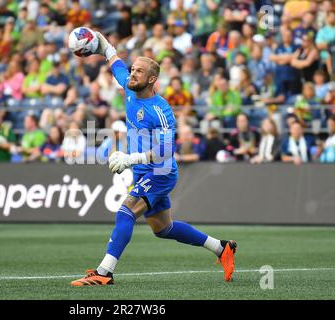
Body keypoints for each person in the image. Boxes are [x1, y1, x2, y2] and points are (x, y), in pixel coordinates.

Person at [70, 31, 237, 287]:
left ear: (152, 79)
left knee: (126, 212)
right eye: (132, 69)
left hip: (160, 172)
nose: (132, 73)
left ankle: (104, 272)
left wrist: (129, 158)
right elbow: (109, 53)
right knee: (163, 229)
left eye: (138, 71)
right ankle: (222, 247)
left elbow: (166, 150)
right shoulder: (127, 85)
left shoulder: (160, 111)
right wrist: (96, 38)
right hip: (142, 170)